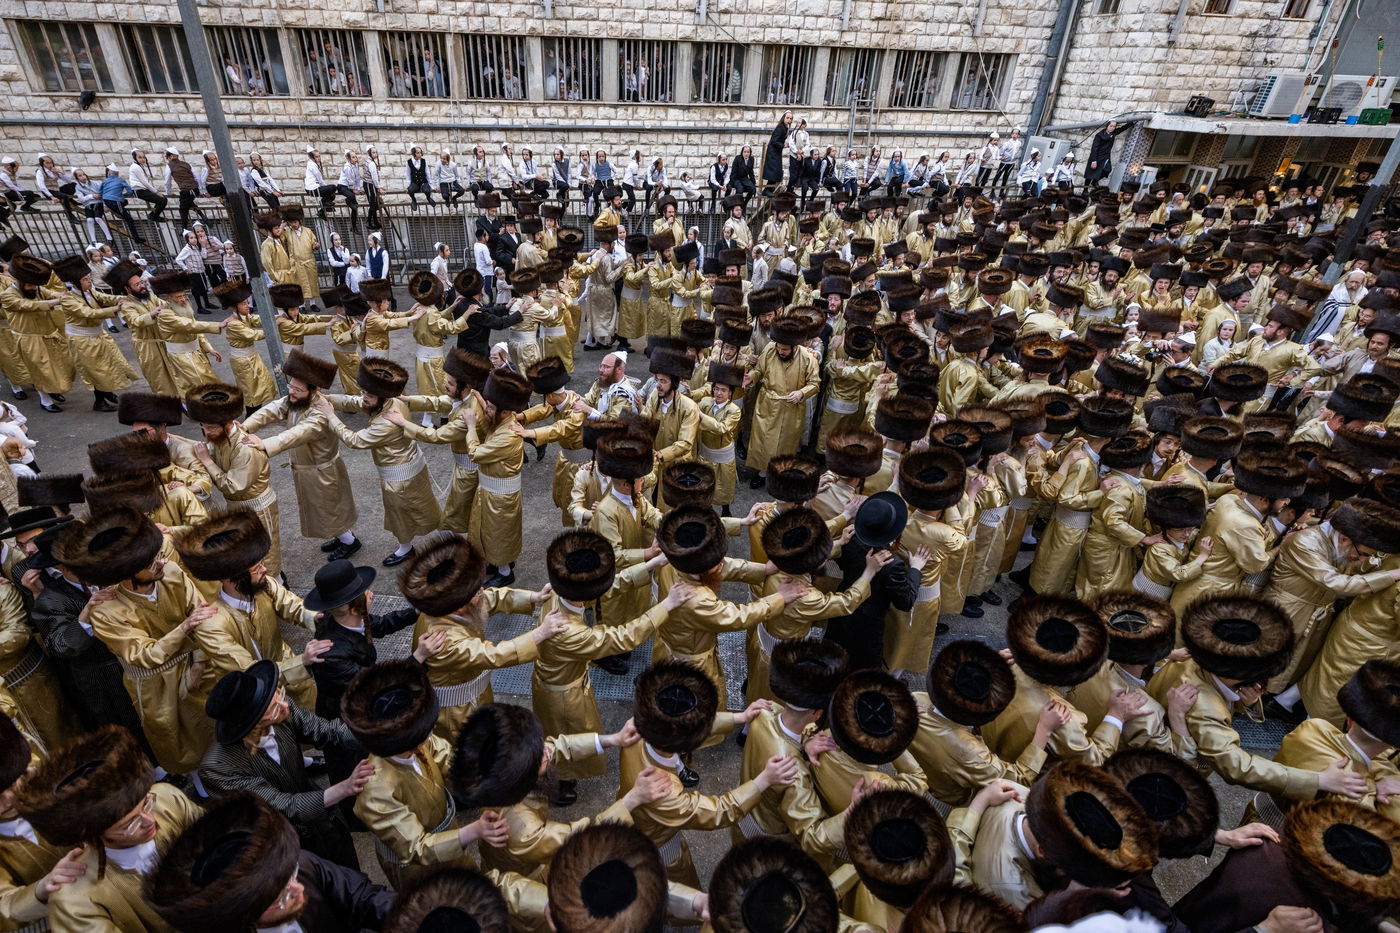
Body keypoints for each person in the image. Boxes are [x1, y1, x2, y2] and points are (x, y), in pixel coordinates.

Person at [1085, 119, 1133, 186]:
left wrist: (1130, 122)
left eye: (1114, 126)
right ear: (1107, 126)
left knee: (1107, 170)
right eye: (1111, 126)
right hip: (1097, 156)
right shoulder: (1099, 135)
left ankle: (1094, 182)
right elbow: (1094, 148)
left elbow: (1122, 128)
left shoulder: (1113, 133)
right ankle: (1085, 190)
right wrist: (1093, 160)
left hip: (1106, 156)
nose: (1112, 128)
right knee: (1091, 173)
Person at [762, 111, 792, 196]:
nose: (789, 120)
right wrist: (783, 145)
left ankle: (770, 189)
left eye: (790, 118)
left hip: (777, 152)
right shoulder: (780, 127)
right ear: (784, 118)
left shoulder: (785, 127)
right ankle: (767, 190)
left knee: (777, 171)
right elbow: (774, 141)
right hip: (773, 152)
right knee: (774, 171)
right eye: (787, 118)